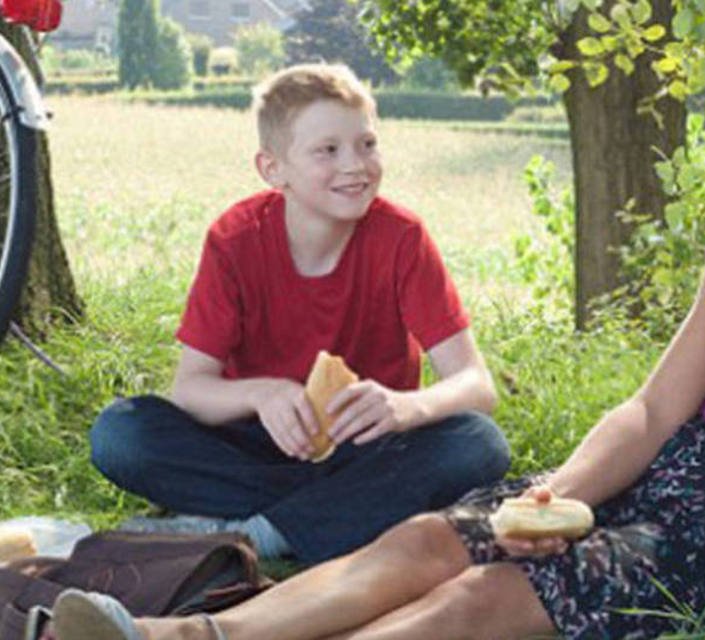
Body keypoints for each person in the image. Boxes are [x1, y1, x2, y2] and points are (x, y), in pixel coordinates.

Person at [43, 0, 705, 638]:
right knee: (432, 537)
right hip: (674, 471)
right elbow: (652, 411)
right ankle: (178, 634)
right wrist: (559, 491)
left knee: (486, 594)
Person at [85, 63, 511, 565]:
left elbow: (476, 386)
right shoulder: (235, 240)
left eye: (367, 144)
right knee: (121, 433)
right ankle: (331, 519)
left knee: (478, 444)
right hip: (255, 446)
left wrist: (405, 407)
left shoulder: (401, 238)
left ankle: (252, 535)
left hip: (365, 447)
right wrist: (263, 394)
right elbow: (191, 390)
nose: (356, 165)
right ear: (273, 169)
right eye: (327, 151)